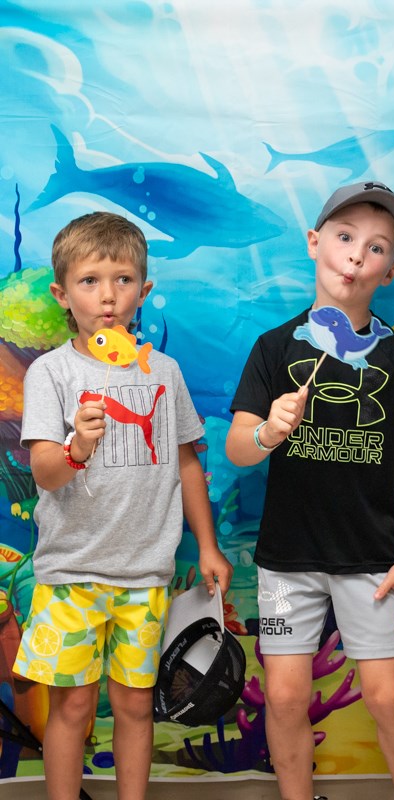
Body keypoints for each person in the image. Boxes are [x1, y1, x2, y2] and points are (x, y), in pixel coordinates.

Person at [225, 182, 394, 800]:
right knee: (285, 696)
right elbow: (236, 449)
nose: (355, 256)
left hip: (372, 557)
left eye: (375, 248)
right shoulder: (274, 347)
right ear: (315, 243)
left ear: (389, 270)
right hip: (289, 558)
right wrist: (268, 430)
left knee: (387, 694)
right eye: (343, 239)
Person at [15, 211, 233, 800]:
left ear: (145, 290)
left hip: (144, 575)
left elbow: (188, 462)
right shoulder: (50, 374)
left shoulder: (165, 372)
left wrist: (208, 546)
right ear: (62, 294)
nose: (108, 296)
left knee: (136, 708)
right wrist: (78, 445)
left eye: (122, 279)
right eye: (90, 281)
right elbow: (44, 472)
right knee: (73, 709)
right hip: (71, 576)